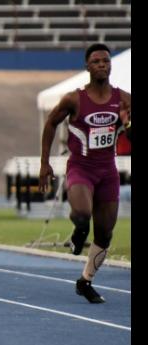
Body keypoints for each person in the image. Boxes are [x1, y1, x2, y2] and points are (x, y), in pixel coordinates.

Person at [39, 43, 131, 303]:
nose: (102, 65)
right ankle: (78, 233)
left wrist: (126, 123)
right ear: (87, 66)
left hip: (108, 172)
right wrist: (45, 163)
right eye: (96, 61)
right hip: (81, 168)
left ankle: (85, 281)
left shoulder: (124, 99)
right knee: (81, 214)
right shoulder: (74, 99)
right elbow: (50, 123)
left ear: (110, 65)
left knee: (105, 233)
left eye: (105, 61)